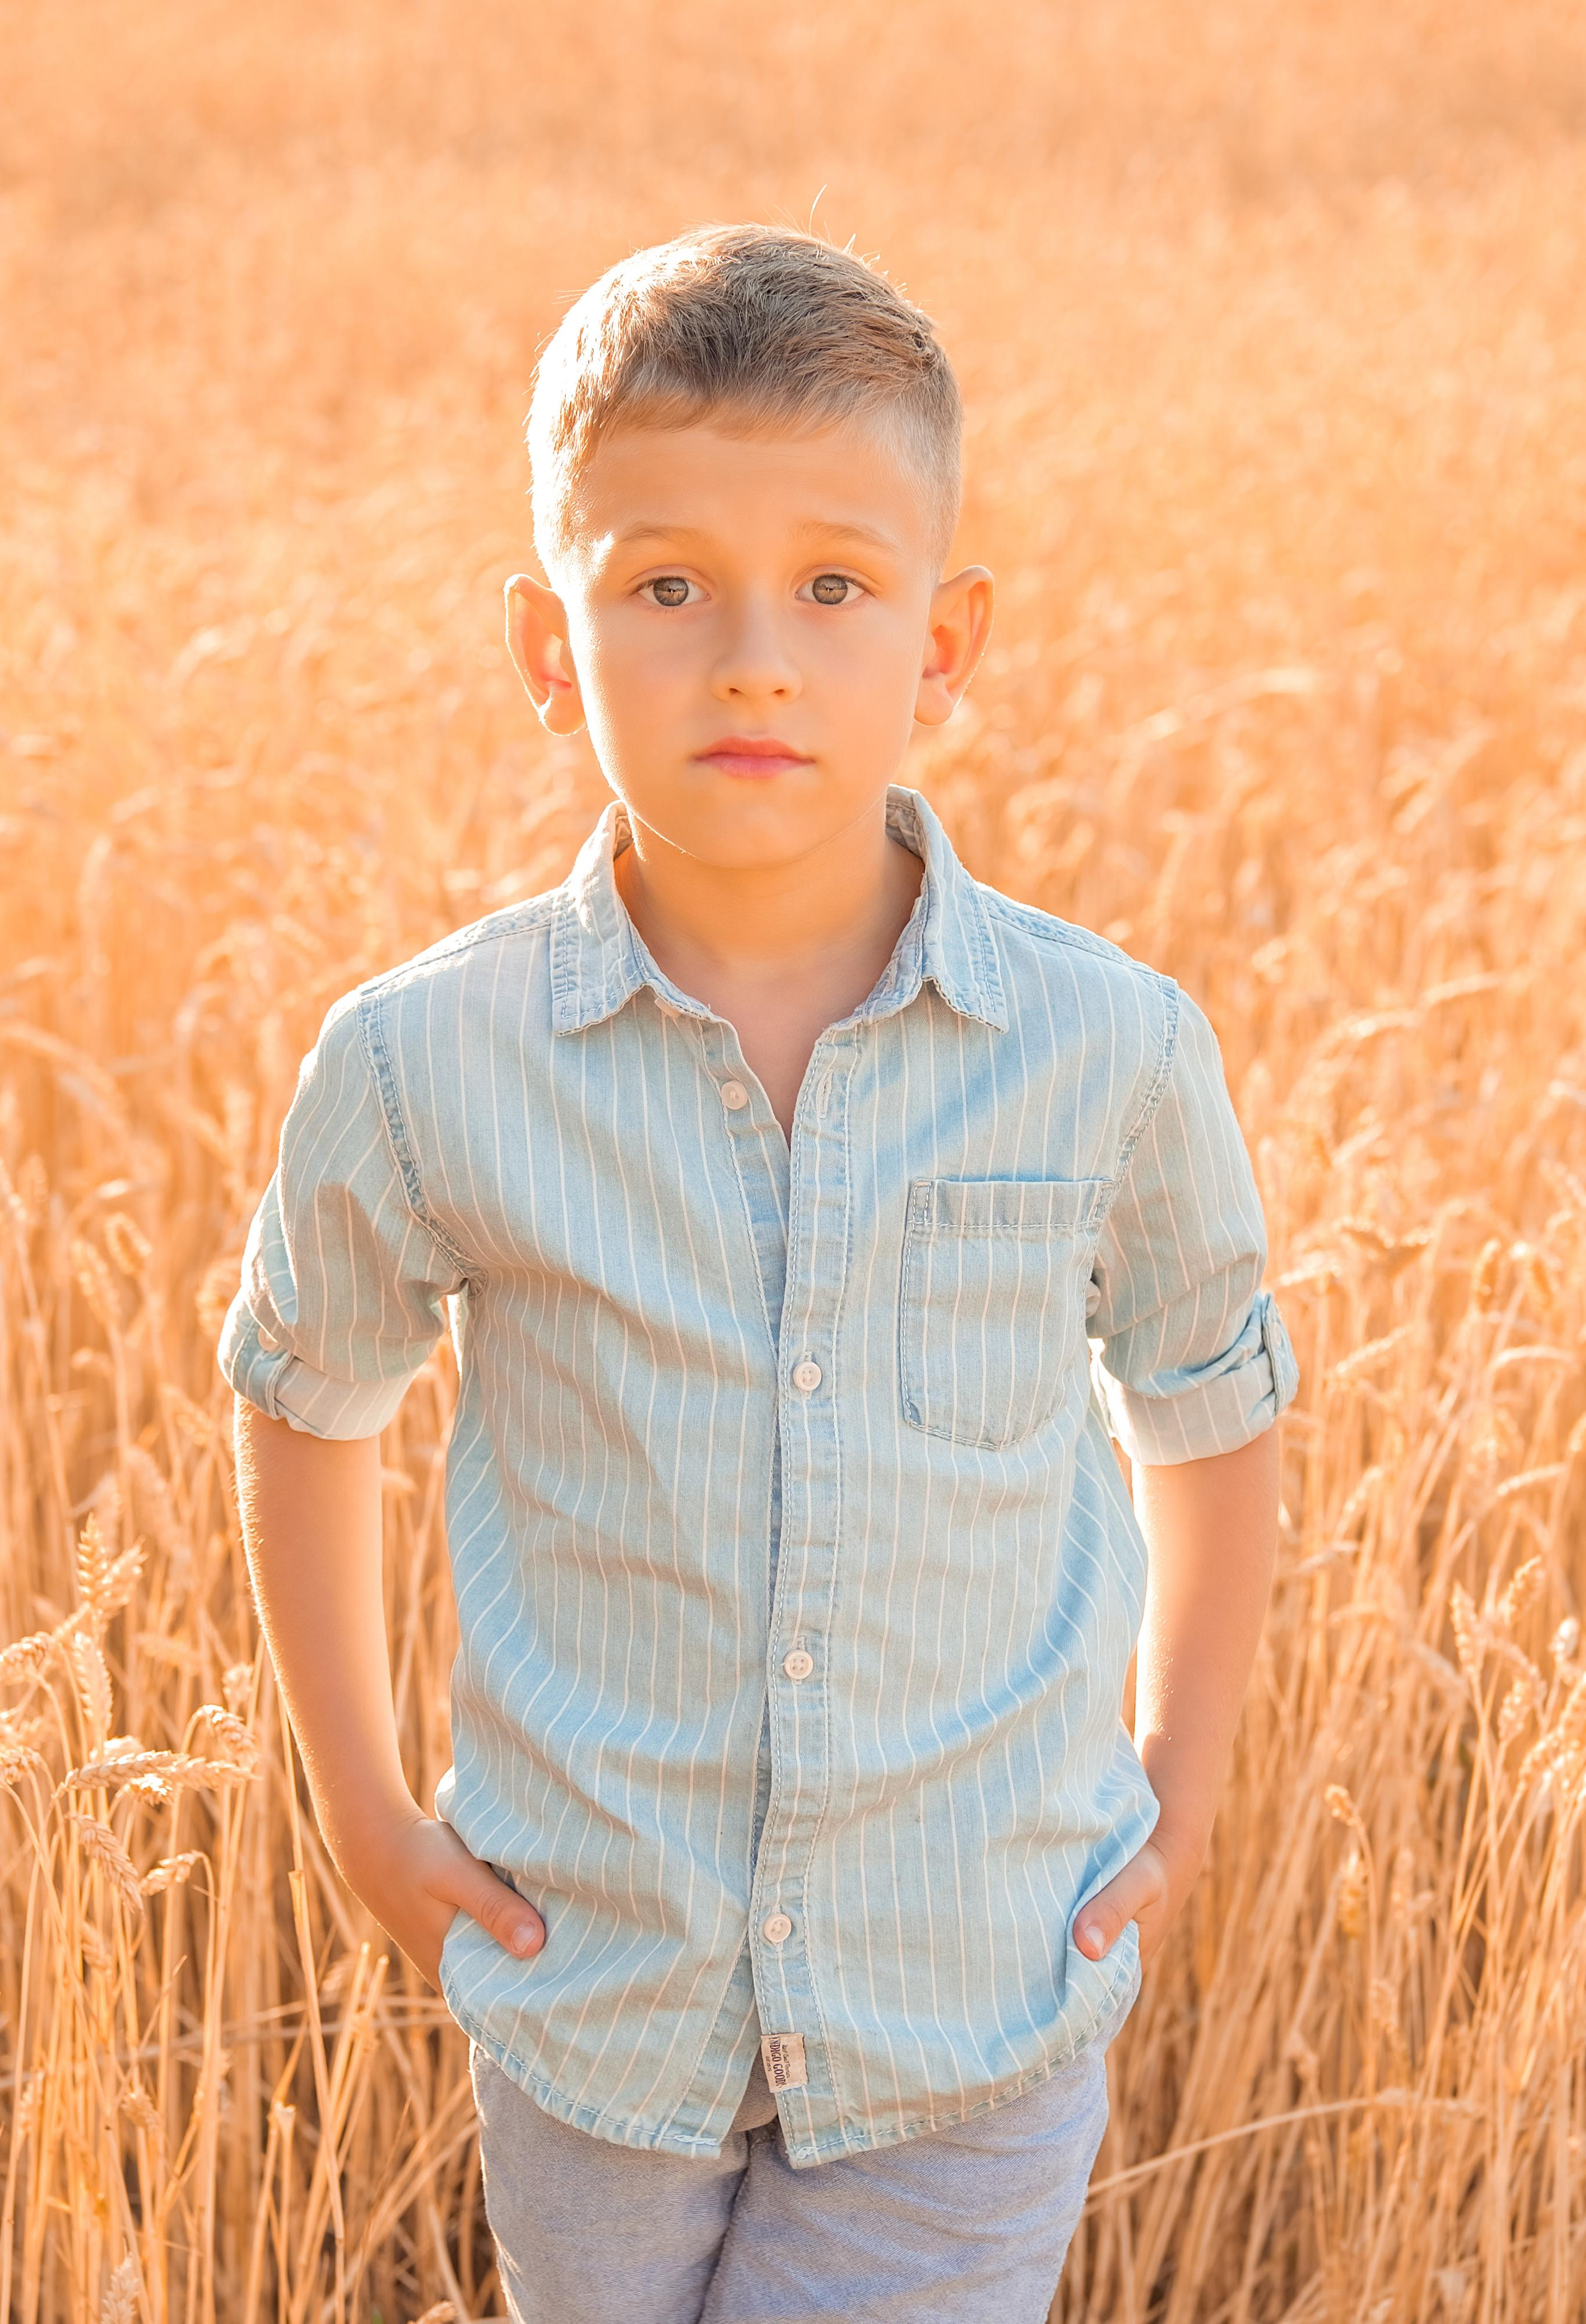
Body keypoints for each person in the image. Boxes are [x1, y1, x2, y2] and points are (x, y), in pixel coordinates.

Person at [222, 224, 1298, 2323]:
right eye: (662, 589)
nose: (753, 659)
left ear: (946, 639)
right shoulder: (426, 1064)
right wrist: (361, 1812)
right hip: (594, 2007)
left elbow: (1211, 1403)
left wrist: (1179, 1786)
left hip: (965, 2020)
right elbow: (302, 1387)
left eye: (833, 584)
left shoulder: (1107, 1054)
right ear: (552, 647)